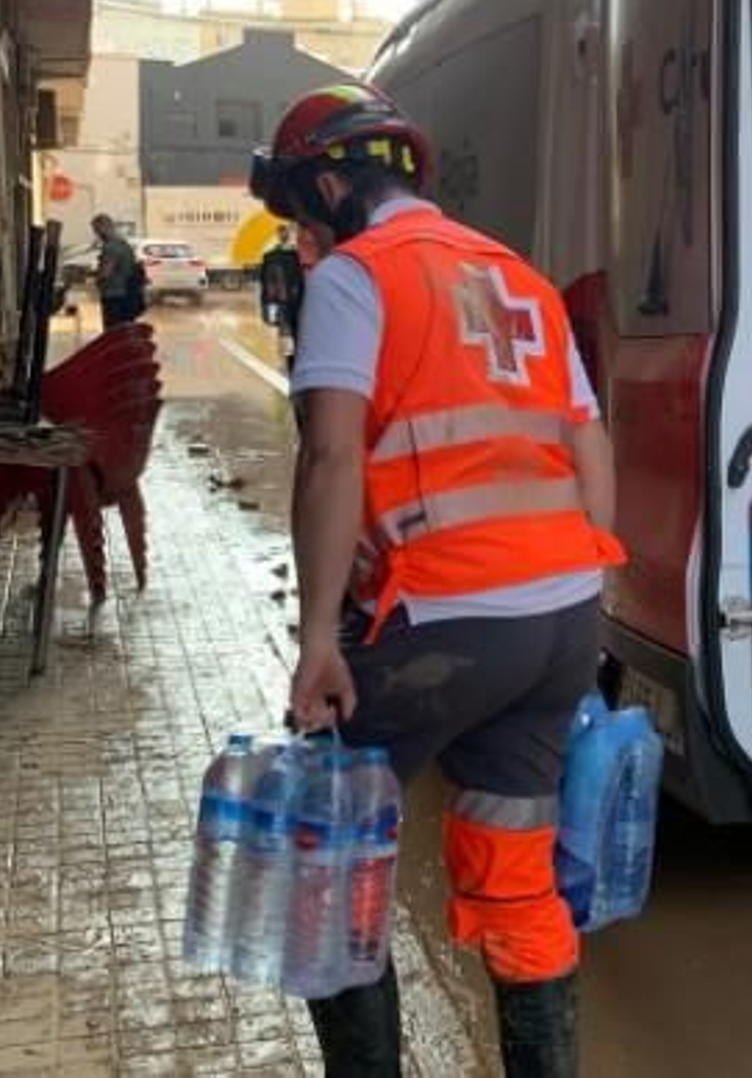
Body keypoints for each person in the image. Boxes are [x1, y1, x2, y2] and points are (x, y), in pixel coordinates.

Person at [250, 82, 627, 1078]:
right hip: (561, 618)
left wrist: (320, 638)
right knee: (514, 871)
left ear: (328, 182)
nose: (301, 234)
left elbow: (330, 459)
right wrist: (581, 597)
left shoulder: (356, 277)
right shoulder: (519, 279)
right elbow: (589, 447)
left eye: (299, 211)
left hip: (446, 618)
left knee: (324, 861)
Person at [92, 214, 141, 327]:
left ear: (104, 227)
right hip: (128, 294)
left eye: (97, 229)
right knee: (125, 331)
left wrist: (93, 277)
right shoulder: (124, 244)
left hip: (113, 295)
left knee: (113, 332)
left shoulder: (111, 247)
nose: (97, 234)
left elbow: (106, 273)